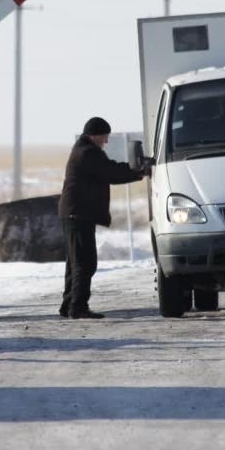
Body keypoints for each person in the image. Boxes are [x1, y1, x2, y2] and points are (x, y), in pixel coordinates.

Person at [58, 116, 147, 319]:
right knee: (84, 262)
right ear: (94, 135)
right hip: (77, 214)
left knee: (75, 262)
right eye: (104, 137)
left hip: (74, 213)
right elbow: (110, 172)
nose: (105, 141)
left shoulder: (83, 149)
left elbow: (109, 170)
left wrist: (135, 171)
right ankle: (78, 307)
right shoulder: (88, 153)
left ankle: (69, 305)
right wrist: (138, 172)